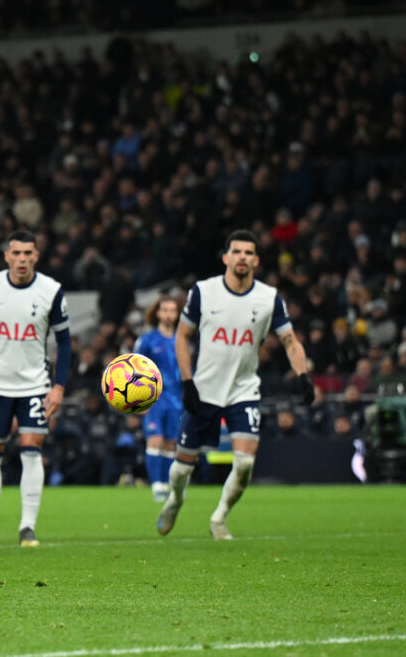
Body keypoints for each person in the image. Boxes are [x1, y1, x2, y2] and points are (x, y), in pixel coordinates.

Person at [157, 229, 314, 540]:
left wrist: (303, 375)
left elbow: (289, 340)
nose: (242, 257)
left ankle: (219, 518)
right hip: (205, 390)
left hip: (244, 390)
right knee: (182, 468)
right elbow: (182, 336)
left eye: (248, 252)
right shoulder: (204, 291)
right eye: (237, 251)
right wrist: (188, 382)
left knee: (244, 465)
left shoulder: (268, 298)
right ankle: (175, 500)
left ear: (255, 259)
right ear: (226, 257)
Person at [0, 230, 72, 547]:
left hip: (35, 385)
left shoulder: (51, 291)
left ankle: (27, 528)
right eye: (16, 253)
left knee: (32, 451)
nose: (22, 259)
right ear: (6, 256)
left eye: (28, 254)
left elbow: (64, 341)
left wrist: (59, 386)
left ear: (36, 256)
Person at [134, 295, 183, 502]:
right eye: (165, 310)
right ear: (157, 313)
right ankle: (157, 487)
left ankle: (168, 485)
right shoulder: (147, 340)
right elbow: (134, 369)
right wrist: (139, 399)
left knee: (171, 444)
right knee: (155, 440)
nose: (169, 314)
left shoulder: (183, 339)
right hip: (155, 398)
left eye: (173, 310)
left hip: (177, 399)